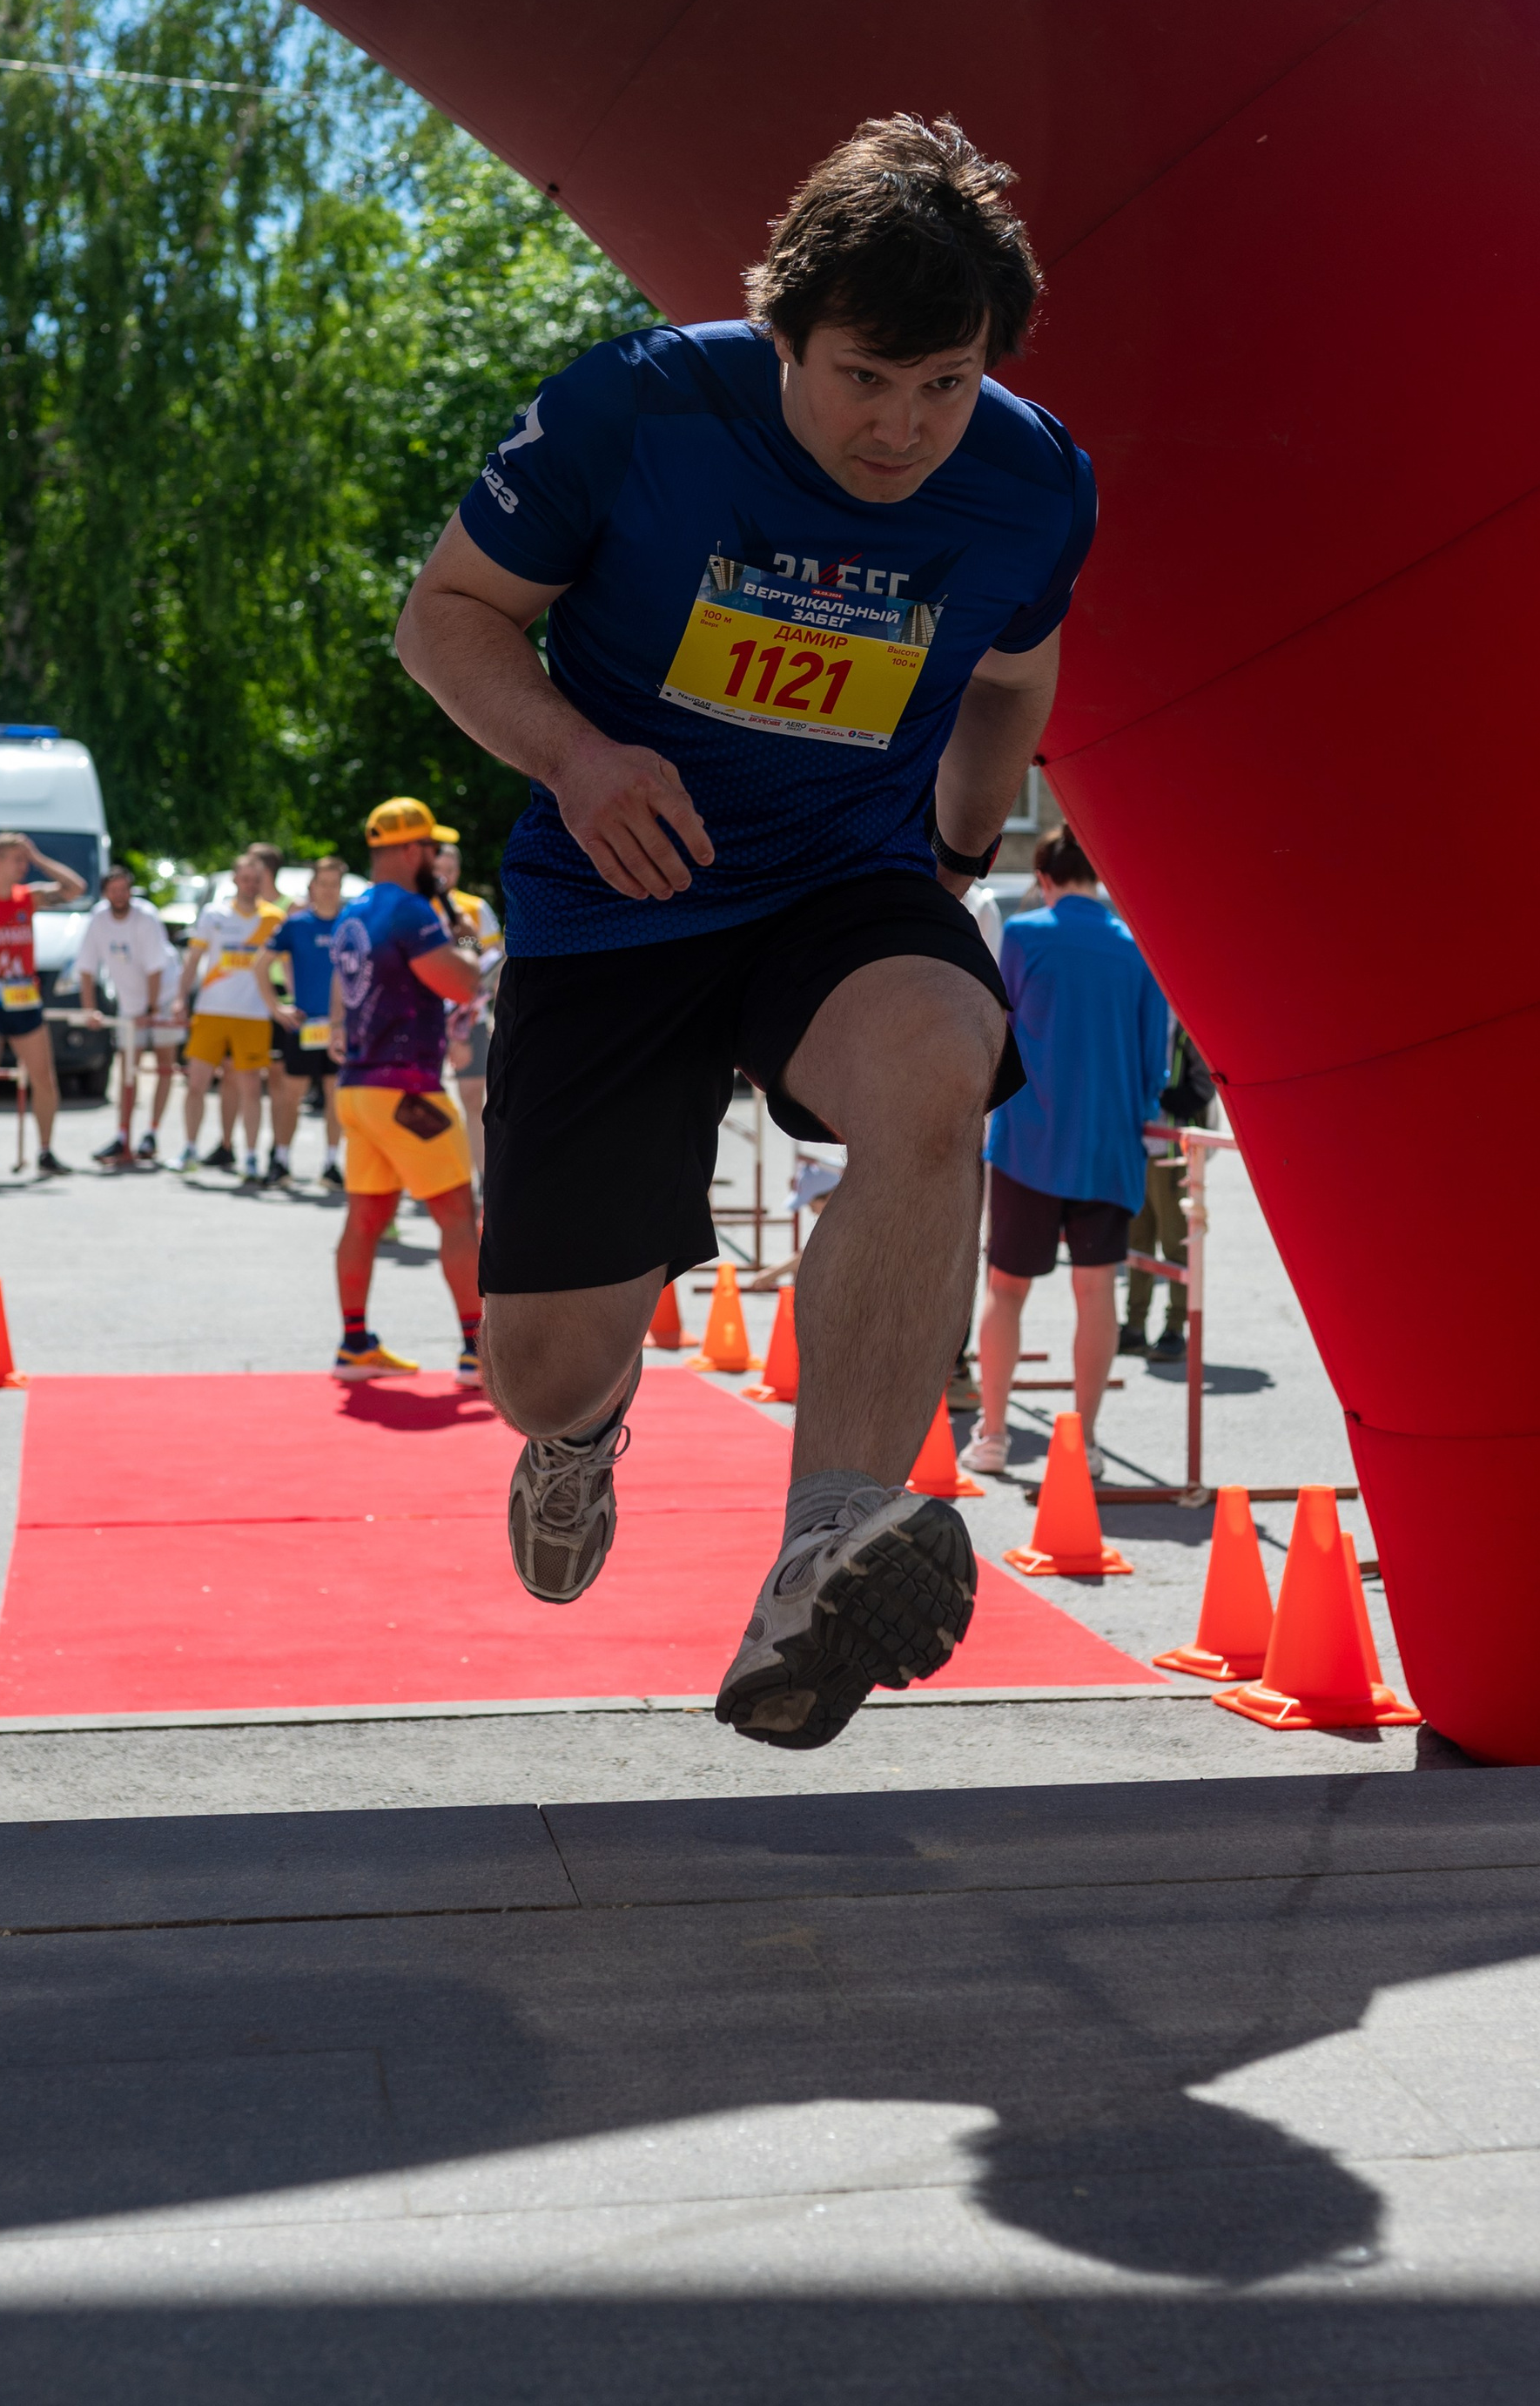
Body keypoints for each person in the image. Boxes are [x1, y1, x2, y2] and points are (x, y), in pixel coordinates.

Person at [395, 112, 1093, 1751]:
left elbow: (1013, 676)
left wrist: (961, 853)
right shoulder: (636, 407)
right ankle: (582, 1433)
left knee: (944, 1049)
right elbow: (448, 614)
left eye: (946, 384)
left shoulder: (1034, 478)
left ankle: (827, 1541)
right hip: (620, 887)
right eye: (865, 376)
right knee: (544, 1368)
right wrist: (577, 753)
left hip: (836, 881)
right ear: (781, 324)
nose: (906, 427)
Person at [971, 826, 1168, 1478]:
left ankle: (994, 1433)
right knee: (1095, 1290)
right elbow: (1153, 1061)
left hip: (1029, 1138)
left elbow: (995, 1030)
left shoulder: (1024, 936)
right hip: (1107, 1141)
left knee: (1006, 1288)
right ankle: (1083, 1442)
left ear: (1045, 878)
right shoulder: (1136, 948)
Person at [328, 799, 482, 1374]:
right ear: (412, 849)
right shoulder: (413, 911)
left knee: (364, 1219)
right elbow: (462, 985)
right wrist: (464, 937)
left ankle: (354, 1342)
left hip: (358, 1089)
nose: (439, 860)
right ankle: (476, 1350)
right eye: (433, 849)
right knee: (458, 1216)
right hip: (408, 1088)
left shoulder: (354, 909)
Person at [0, 832, 89, 1183]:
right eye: (17, 859)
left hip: (25, 1000)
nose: (23, 866)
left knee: (44, 1077)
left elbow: (76, 888)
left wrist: (40, 858)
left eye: (25, 860)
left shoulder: (29, 897)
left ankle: (45, 1150)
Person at [176, 850, 283, 1183]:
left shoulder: (274, 918)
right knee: (197, 1083)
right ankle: (190, 1149)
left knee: (251, 1088)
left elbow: (288, 966)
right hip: (211, 1011)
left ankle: (250, 1156)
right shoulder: (214, 914)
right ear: (235, 879)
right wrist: (181, 999)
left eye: (256, 879)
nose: (249, 885)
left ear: (262, 881)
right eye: (244, 878)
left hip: (253, 1014)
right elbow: (193, 959)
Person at [1120, 1017, 1218, 1363]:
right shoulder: (1138, 1010)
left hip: (1175, 1152)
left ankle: (1175, 1327)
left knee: (1177, 1243)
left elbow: (1205, 1084)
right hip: (1139, 1147)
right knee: (1137, 1242)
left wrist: (1167, 1096)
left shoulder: (1185, 1022)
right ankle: (1134, 1325)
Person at [76, 864, 183, 1167]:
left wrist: (151, 1010)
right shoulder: (98, 918)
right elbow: (86, 966)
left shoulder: (145, 917)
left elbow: (156, 968)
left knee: (165, 1065)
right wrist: (89, 1010)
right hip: (131, 1003)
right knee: (127, 1070)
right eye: (114, 890)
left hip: (160, 997)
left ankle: (151, 1133)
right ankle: (123, 1134)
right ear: (106, 892)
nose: (119, 896)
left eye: (124, 889)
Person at [267, 856, 348, 1187]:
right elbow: (262, 965)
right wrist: (277, 1007)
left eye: (334, 884)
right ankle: (281, 1159)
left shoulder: (352, 923)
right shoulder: (296, 924)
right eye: (322, 883)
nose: (328, 890)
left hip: (340, 1028)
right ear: (311, 887)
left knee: (336, 1098)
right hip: (304, 1025)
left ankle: (331, 1164)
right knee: (291, 1096)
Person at [430, 840, 504, 1183]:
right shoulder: (415, 907)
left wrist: (494, 1014)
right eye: (437, 869)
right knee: (424, 1099)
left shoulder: (474, 908)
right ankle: (433, 1177)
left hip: (467, 1016)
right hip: (424, 1017)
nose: (442, 876)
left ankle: (483, 1181)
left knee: (474, 1097)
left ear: (457, 871)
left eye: (449, 869)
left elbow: (494, 962)